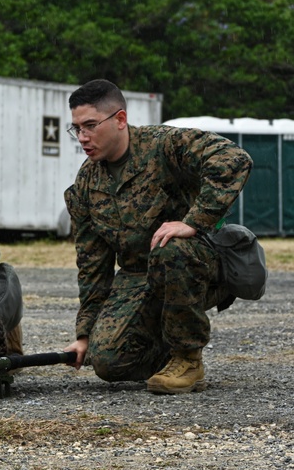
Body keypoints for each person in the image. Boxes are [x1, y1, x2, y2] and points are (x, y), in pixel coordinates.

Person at [62, 79, 252, 394]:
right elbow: (92, 267)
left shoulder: (162, 146)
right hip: (139, 276)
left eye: (91, 126)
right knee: (108, 361)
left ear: (120, 120)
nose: (82, 137)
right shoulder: (87, 182)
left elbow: (233, 159)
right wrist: (85, 335)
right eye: (77, 128)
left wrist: (194, 221)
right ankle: (167, 349)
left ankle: (187, 357)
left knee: (171, 248)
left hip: (197, 263)